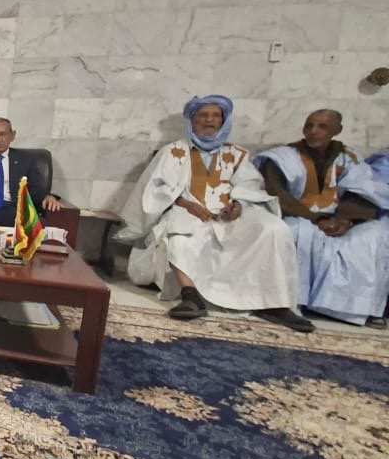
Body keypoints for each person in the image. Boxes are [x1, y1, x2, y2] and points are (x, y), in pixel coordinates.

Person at [118, 95, 313, 331]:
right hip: (188, 210)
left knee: (274, 229)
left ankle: (276, 304)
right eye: (203, 115)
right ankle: (190, 296)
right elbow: (156, 188)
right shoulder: (174, 152)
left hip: (228, 215)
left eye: (215, 115)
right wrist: (184, 202)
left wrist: (239, 204)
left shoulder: (237, 154)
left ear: (223, 120)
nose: (209, 120)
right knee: (178, 229)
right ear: (192, 120)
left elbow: (251, 185)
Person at [255, 110, 389, 328]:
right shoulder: (282, 157)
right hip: (298, 215)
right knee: (297, 231)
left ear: (337, 130)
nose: (313, 131)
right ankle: (290, 304)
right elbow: (276, 192)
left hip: (340, 218)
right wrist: (315, 218)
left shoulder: (350, 158)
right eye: (309, 126)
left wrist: (345, 220)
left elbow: (363, 191)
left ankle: (352, 309)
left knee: (373, 235)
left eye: (322, 127)